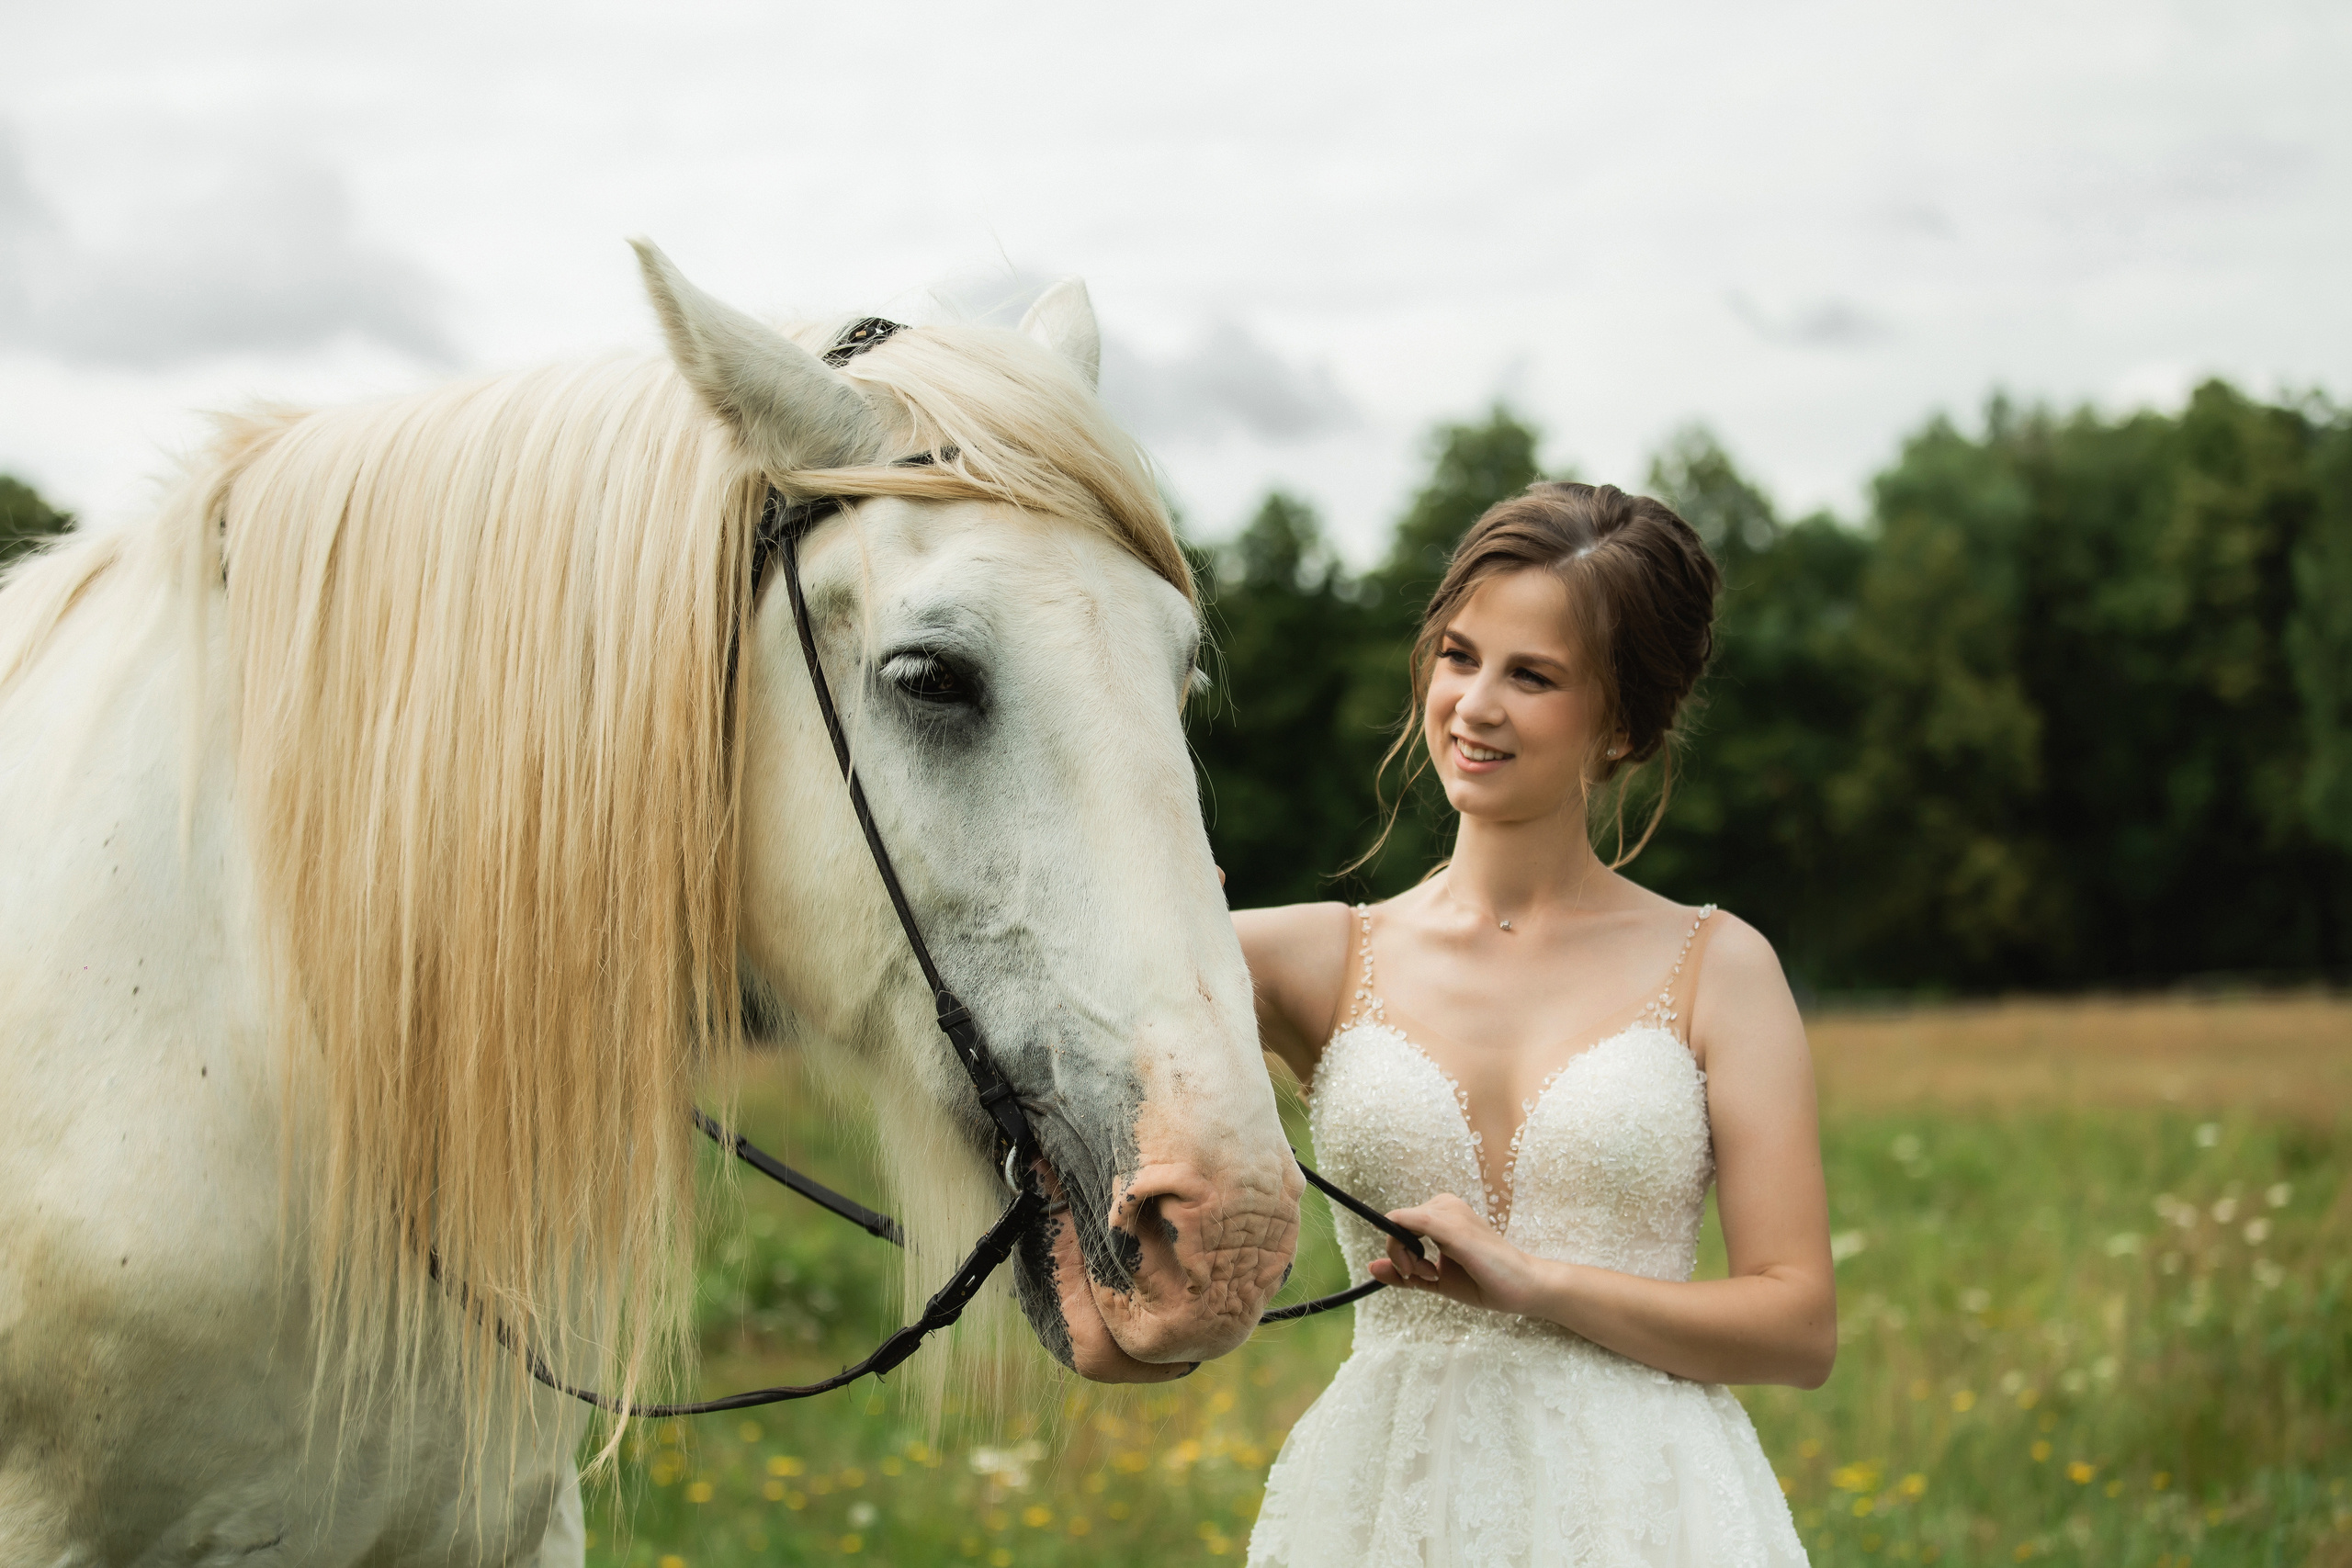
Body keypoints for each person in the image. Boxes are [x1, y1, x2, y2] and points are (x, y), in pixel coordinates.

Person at [1236, 482, 1830, 1567]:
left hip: (1650, 1513)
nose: (1474, 704)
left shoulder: (1720, 969)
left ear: (1625, 729)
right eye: (1459, 656)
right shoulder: (1306, 958)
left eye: (1533, 676)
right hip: (1384, 1508)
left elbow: (1796, 1327)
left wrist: (1536, 1282)